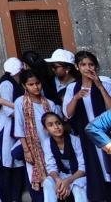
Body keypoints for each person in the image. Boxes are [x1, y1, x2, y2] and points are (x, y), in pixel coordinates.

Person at [64, 52, 111, 202]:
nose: (87, 68)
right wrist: (76, 98)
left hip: (106, 133)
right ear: (77, 67)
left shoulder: (105, 83)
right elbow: (68, 114)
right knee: (95, 166)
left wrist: (100, 86)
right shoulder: (72, 88)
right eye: (83, 65)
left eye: (91, 64)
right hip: (88, 136)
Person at [16, 69, 64, 202]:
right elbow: (19, 127)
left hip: (50, 148)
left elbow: (58, 126)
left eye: (37, 83)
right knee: (36, 181)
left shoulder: (49, 104)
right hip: (33, 149)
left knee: (53, 178)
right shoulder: (20, 102)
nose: (35, 87)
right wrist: (26, 150)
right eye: (31, 84)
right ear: (24, 86)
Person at [0, 58, 28, 202]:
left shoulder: (17, 83)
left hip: (17, 126)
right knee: (7, 162)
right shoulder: (6, 83)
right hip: (7, 127)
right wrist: (28, 113)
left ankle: (16, 197)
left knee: (17, 162)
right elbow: (9, 111)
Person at [43, 112, 87, 202]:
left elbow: (83, 168)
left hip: (78, 175)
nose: (56, 127)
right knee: (47, 182)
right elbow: (51, 167)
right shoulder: (47, 143)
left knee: (77, 186)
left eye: (58, 123)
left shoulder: (75, 140)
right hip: (62, 175)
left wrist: (68, 181)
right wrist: (58, 180)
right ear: (46, 130)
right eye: (50, 125)